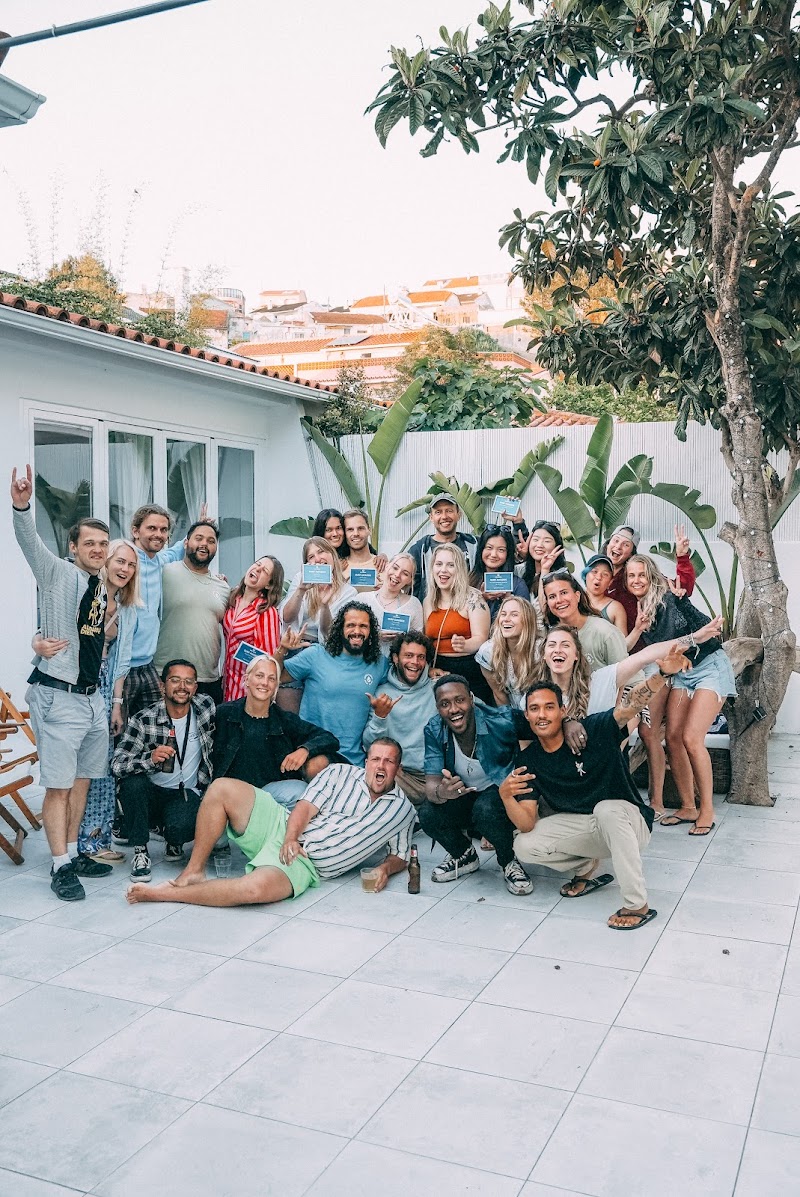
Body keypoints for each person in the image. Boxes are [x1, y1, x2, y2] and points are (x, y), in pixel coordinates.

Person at [507, 647, 691, 929]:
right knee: (524, 844)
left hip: (629, 822)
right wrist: (505, 796)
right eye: (534, 709)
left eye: (549, 707)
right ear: (528, 717)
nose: (542, 715)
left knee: (606, 809)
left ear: (563, 711)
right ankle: (586, 869)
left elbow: (629, 706)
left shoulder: (592, 730)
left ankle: (637, 904)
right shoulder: (529, 759)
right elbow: (528, 822)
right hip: (590, 827)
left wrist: (662, 674)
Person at [126, 738, 416, 908]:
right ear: (366, 762)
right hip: (283, 824)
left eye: (388, 762)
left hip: (306, 863)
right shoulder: (339, 772)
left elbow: (401, 855)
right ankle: (194, 871)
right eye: (375, 759)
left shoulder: (403, 810)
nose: (380, 766)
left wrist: (384, 869)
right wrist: (289, 837)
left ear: (397, 769)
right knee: (222, 788)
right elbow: (304, 807)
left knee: (252, 891)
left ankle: (168, 895)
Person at [11, 464, 115, 901]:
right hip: (60, 697)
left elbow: (89, 640)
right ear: (73, 547)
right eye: (88, 543)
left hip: (92, 700)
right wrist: (22, 506)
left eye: (102, 544)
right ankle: (58, 866)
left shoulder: (102, 586)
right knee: (57, 786)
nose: (96, 549)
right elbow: (29, 543)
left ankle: (72, 853)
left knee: (81, 782)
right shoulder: (58, 573)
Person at [625, 554, 736, 833]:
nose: (636, 580)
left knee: (691, 737)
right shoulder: (642, 610)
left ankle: (707, 810)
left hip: (709, 668)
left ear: (652, 576)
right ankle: (688, 806)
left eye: (642, 575)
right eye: (631, 576)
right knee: (673, 737)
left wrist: (683, 599)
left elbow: (704, 628)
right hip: (683, 675)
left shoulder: (669, 598)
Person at [419, 675, 533, 895]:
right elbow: (431, 786)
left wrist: (568, 724)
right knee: (427, 812)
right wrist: (442, 792)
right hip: (464, 795)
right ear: (437, 708)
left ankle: (508, 861)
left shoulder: (502, 720)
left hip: (501, 795)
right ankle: (464, 855)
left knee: (486, 809)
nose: (453, 709)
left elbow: (541, 726)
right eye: (444, 704)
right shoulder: (434, 729)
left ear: (471, 699)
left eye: (459, 700)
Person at [112, 659, 215, 882]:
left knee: (182, 828)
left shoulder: (205, 708)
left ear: (195, 688)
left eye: (189, 682)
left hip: (184, 793)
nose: (182, 687)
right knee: (132, 784)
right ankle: (140, 850)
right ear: (162, 686)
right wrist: (149, 759)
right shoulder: (144, 719)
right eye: (175, 680)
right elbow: (117, 764)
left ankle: (173, 839)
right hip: (151, 792)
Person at [214, 653, 339, 808]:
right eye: (259, 676)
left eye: (271, 678)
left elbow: (329, 739)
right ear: (247, 680)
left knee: (302, 792)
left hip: (270, 797)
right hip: (231, 794)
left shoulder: (284, 720)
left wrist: (305, 750)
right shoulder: (224, 714)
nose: (265, 683)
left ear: (276, 686)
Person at [278, 602, 388, 766]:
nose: (357, 631)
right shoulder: (316, 655)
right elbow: (275, 677)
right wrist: (282, 650)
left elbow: (402, 679)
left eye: (363, 626)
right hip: (314, 752)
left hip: (355, 760)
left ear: (371, 631)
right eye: (350, 625)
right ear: (340, 629)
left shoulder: (379, 663)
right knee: (317, 767)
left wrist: (430, 671)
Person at [126, 503, 194, 718]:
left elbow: (175, 551)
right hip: (121, 667)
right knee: (114, 733)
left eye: (163, 530)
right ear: (135, 531)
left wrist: (198, 530)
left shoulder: (159, 560)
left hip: (148, 666)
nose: (158, 534)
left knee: (153, 728)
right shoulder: (124, 561)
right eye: (151, 528)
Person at [155, 520, 230, 704]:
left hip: (207, 680)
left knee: (204, 733)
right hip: (164, 676)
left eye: (211, 541)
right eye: (199, 538)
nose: (204, 544)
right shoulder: (164, 573)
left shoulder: (223, 586)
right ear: (186, 543)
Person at [363, 631, 438, 803]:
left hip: (433, 776)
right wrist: (379, 717)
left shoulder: (437, 689)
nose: (415, 662)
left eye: (421, 657)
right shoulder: (382, 692)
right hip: (398, 774)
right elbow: (368, 744)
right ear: (396, 658)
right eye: (408, 655)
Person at [605, 524, 696, 643]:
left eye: (625, 544)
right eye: (616, 540)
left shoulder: (635, 572)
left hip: (642, 646)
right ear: (608, 544)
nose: (618, 546)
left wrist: (682, 557)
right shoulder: (596, 572)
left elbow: (682, 587)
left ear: (632, 553)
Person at [424, 543, 492, 702]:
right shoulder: (429, 601)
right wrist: (429, 667)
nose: (443, 570)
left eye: (450, 565)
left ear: (459, 569)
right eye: (439, 564)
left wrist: (464, 644)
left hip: (467, 668)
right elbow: (426, 639)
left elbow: (481, 638)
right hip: (438, 668)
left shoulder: (473, 598)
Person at [222, 555, 284, 702]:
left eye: (264, 571)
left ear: (269, 585)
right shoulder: (233, 599)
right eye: (257, 564)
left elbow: (268, 659)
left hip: (247, 691)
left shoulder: (266, 612)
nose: (257, 569)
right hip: (226, 685)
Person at [543, 569, 628, 671]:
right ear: (547, 603)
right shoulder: (550, 637)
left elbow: (629, 678)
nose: (559, 600)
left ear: (577, 596)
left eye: (564, 593)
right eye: (552, 596)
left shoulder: (604, 631)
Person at [408, 493, 477, 601]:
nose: (444, 517)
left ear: (459, 514)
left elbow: (505, 550)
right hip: (432, 612)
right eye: (438, 512)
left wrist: (514, 523)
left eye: (449, 511)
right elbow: (402, 576)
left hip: (467, 611)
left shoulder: (474, 544)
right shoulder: (419, 550)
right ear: (431, 517)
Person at [476, 595, 542, 708]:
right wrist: (510, 723)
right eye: (503, 614)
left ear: (527, 621)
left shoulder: (541, 650)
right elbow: (499, 695)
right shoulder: (487, 652)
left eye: (514, 614)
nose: (506, 619)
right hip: (513, 713)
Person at [362, 553, 424, 655]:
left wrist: (403, 639)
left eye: (405, 573)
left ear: (409, 580)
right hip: (366, 663)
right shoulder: (363, 599)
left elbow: (419, 642)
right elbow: (349, 633)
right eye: (395, 568)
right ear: (387, 566)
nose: (397, 575)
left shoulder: (413, 604)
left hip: (397, 665)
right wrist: (375, 636)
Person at [469, 525, 530, 622]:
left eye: (501, 550)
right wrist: (481, 598)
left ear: (508, 553)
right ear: (481, 549)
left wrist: (510, 601)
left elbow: (526, 622)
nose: (493, 554)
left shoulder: (518, 585)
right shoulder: (468, 581)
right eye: (489, 547)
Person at [516, 520, 568, 608]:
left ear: (557, 546)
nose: (539, 545)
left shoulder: (562, 576)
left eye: (547, 541)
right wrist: (519, 556)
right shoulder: (521, 570)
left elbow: (546, 610)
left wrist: (545, 571)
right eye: (535, 539)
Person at [581, 554, 628, 636]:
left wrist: (638, 629)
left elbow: (622, 645)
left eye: (605, 574)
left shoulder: (615, 608)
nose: (599, 577)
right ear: (585, 574)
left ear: (610, 582)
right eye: (594, 571)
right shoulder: (573, 601)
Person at [340, 508, 387, 589]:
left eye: (360, 528)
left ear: (369, 530)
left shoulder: (383, 565)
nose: (356, 533)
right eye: (350, 529)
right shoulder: (339, 567)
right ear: (344, 533)